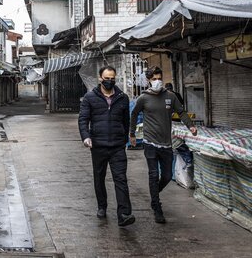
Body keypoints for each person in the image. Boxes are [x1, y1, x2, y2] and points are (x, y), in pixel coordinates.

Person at [130, 66, 198, 224]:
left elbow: (181, 112)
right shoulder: (143, 98)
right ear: (148, 81)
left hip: (166, 143)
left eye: (159, 78)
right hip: (150, 142)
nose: (157, 81)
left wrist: (191, 126)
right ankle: (156, 206)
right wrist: (132, 133)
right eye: (154, 79)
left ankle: (155, 192)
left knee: (167, 175)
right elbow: (134, 114)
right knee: (153, 174)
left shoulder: (170, 96)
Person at [78, 65, 135, 227]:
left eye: (112, 78)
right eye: (106, 78)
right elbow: (83, 120)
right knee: (99, 177)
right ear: (100, 79)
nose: (109, 81)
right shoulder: (90, 97)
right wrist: (86, 137)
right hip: (98, 145)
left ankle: (124, 214)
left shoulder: (122, 98)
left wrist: (125, 137)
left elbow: (126, 120)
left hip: (117, 146)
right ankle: (102, 206)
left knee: (121, 179)